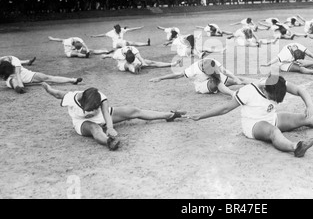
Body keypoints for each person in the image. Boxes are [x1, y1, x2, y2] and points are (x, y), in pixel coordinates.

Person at [186, 74, 313, 158]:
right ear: (265, 89)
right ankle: (296, 147)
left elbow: (300, 90)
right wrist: (200, 116)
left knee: (306, 118)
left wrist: (309, 105)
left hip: (272, 117)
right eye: (272, 97)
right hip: (254, 125)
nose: (275, 99)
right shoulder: (248, 91)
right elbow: (225, 109)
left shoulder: (277, 83)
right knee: (274, 132)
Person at [41, 83, 185, 151]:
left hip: (102, 118)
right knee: (94, 128)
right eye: (92, 108)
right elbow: (55, 93)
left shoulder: (102, 98)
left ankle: (169, 115)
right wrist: (47, 87)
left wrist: (110, 127)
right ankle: (109, 142)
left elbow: (105, 114)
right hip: (82, 122)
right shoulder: (71, 97)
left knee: (133, 111)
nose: (94, 109)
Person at [148, 58, 249, 96]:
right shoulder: (193, 69)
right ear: (204, 70)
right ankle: (232, 93)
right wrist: (161, 78)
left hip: (214, 78)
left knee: (239, 79)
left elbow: (224, 71)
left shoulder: (211, 61)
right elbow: (178, 75)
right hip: (202, 85)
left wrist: (235, 78)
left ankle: (260, 82)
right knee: (216, 82)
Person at [0, 56, 82, 94]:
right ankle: (17, 89)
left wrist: (22, 85)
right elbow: (14, 76)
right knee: (14, 81)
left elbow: (17, 73)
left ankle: (72, 80)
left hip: (23, 73)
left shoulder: (15, 60)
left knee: (46, 77)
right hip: (9, 77)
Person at [101, 46, 182, 74]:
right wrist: (105, 56)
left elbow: (139, 57)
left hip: (134, 59)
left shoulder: (133, 49)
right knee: (128, 65)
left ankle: (173, 64)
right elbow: (111, 55)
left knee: (151, 62)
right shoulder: (118, 53)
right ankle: (134, 69)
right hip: (122, 63)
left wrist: (143, 63)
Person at [48, 36, 112, 58]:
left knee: (91, 50)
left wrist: (87, 49)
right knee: (77, 54)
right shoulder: (67, 41)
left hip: (77, 49)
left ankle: (105, 51)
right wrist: (52, 39)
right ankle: (85, 56)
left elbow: (84, 44)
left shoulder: (78, 39)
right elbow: (59, 39)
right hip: (69, 52)